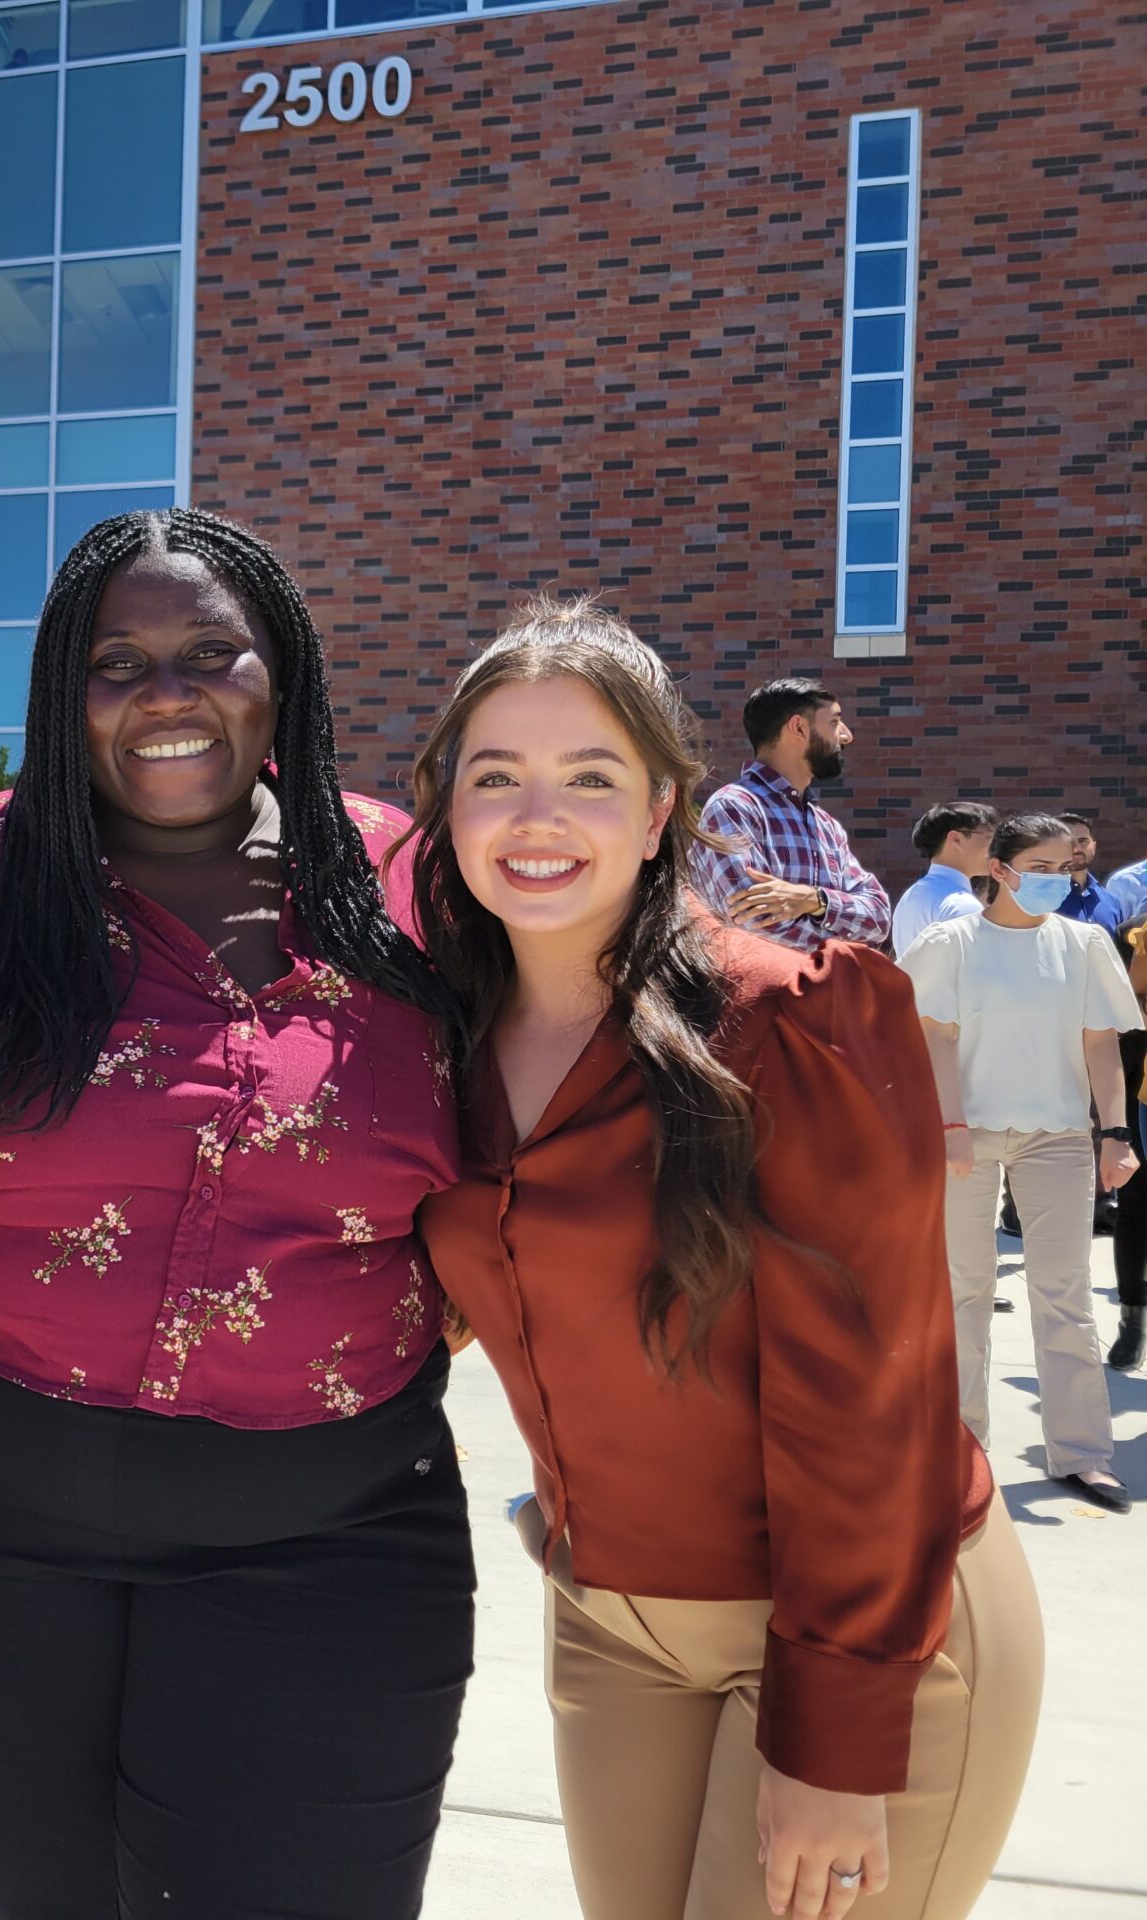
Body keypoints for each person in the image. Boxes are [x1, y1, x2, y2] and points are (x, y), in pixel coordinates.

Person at [0, 506, 473, 1919]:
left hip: (335, 1526)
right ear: (65, 692)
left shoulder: (417, 888)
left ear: (280, 673)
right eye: (119, 664)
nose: (168, 694)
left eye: (211, 652)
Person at [409, 597, 1039, 1920]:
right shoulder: (434, 1049)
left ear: (658, 814)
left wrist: (834, 1735)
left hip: (861, 1623)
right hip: (609, 1624)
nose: (538, 815)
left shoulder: (784, 1023)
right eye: (495, 777)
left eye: (591, 777)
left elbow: (878, 1397)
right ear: (446, 810)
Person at [901, 813, 1143, 1513]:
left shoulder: (1086, 942)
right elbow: (934, 1038)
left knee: (1065, 1296)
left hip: (1060, 1137)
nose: (1057, 880)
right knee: (963, 1293)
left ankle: (1083, 1454)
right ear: (1001, 869)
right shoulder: (953, 941)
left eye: (1065, 867)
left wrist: (1117, 1132)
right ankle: (958, 1454)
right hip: (964, 1135)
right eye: (1040, 867)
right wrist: (946, 1126)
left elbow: (1102, 1044)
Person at [688, 676, 891, 951]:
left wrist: (814, 900)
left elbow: (878, 918)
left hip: (831, 992)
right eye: (833, 722)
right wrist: (848, 956)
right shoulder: (734, 808)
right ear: (798, 728)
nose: (846, 736)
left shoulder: (827, 826)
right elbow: (754, 923)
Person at [1109, 916, 1147, 1369]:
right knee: (1136, 1206)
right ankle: (1132, 1321)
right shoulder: (1135, 934)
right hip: (1141, 1084)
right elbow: (1126, 1012)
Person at [890, 800, 995, 954]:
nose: (997, 848)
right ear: (956, 839)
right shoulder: (962, 905)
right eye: (990, 838)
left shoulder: (911, 895)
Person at [1050, 815, 1129, 933]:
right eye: (1068, 842)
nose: (1076, 849)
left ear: (1094, 846)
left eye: (1082, 841)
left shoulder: (1111, 901)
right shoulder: (1042, 899)